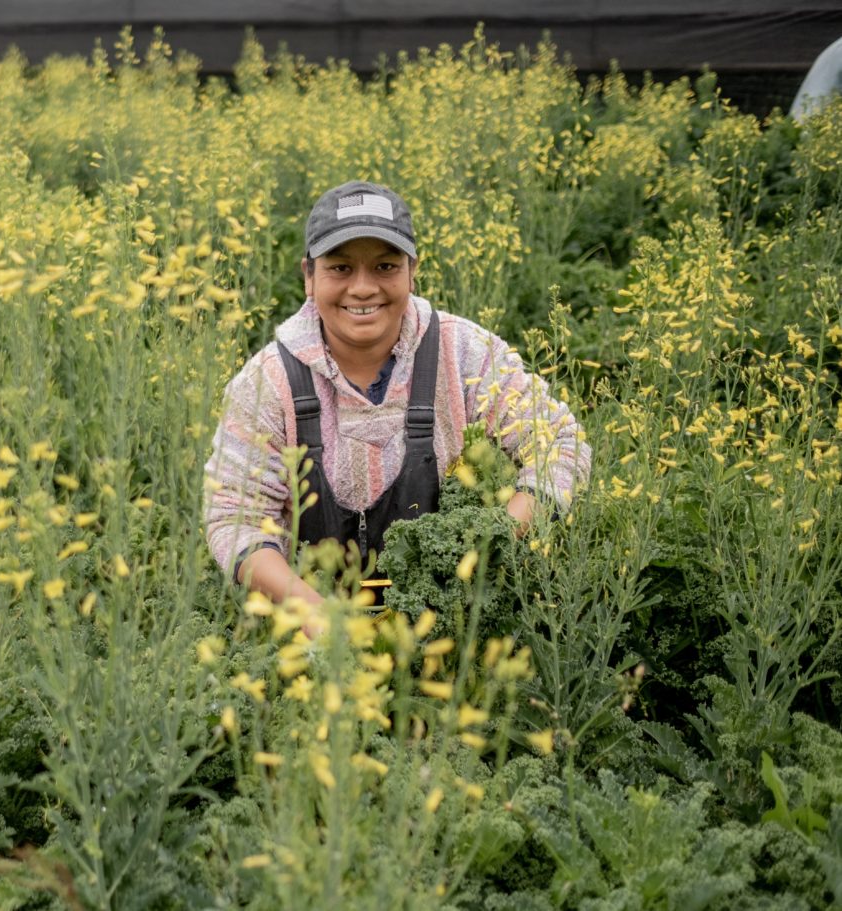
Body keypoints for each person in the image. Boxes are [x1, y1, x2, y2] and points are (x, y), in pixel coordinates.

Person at [203, 181, 591, 621]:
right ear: (309, 276)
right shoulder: (268, 383)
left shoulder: (463, 353)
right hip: (307, 635)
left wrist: (491, 544)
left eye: (385, 266)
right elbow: (234, 519)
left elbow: (562, 444)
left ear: (412, 271)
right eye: (340, 268)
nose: (362, 288)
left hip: (452, 622)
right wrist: (316, 617)